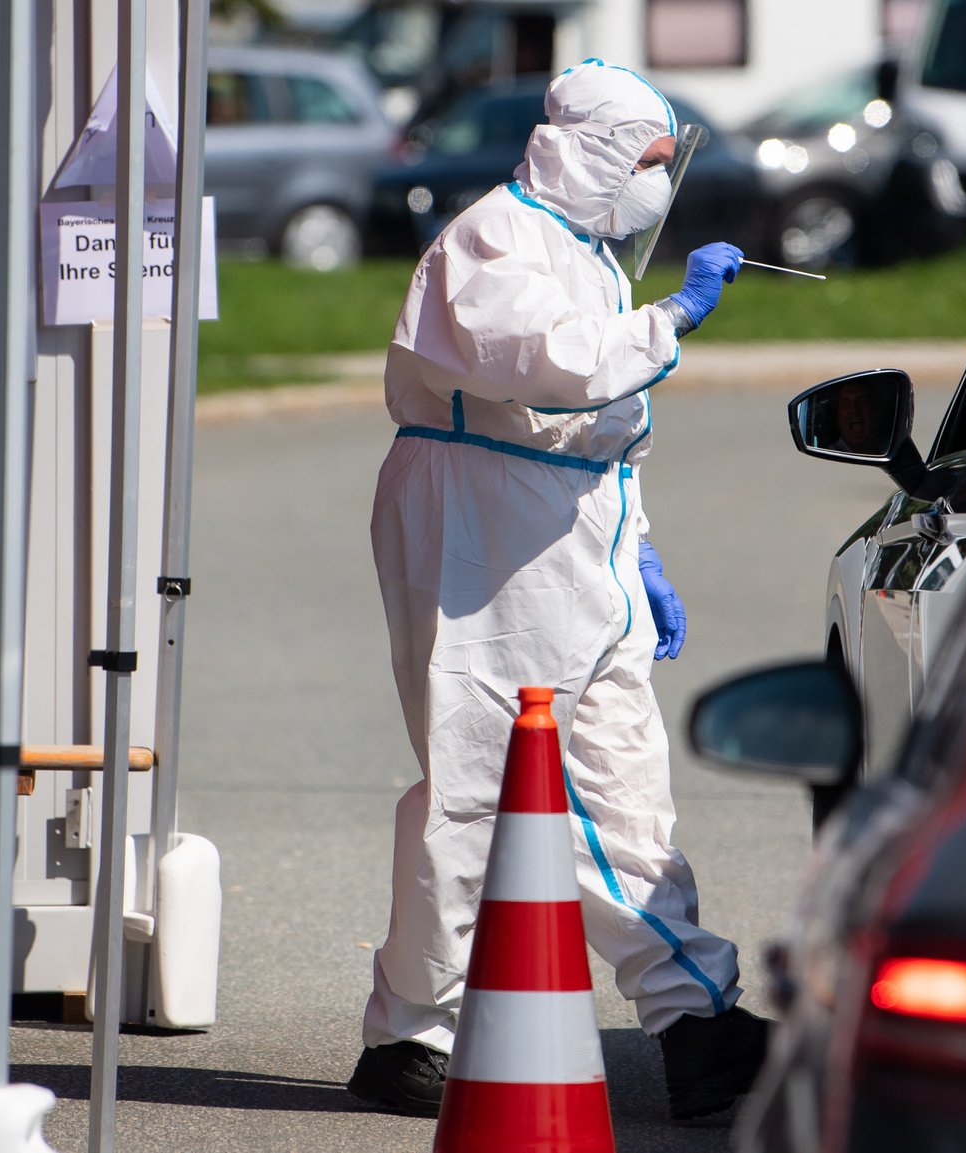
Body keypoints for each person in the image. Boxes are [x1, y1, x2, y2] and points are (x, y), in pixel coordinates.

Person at [349, 59, 769, 1122]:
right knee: (496, 778)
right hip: (483, 524)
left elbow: (592, 429)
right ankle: (416, 1029)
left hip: (562, 521)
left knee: (615, 772)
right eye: (649, 158)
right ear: (590, 149)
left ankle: (692, 1018)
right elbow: (545, 363)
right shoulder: (495, 236)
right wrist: (673, 315)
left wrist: (637, 553)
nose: (656, 181)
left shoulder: (581, 249)